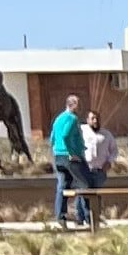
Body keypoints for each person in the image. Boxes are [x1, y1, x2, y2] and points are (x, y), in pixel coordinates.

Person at [48, 94, 86, 227]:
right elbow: (65, 134)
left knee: (62, 186)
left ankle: (60, 216)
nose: (80, 107)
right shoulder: (72, 118)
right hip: (68, 156)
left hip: (58, 156)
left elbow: (52, 137)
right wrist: (71, 153)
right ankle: (85, 216)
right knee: (83, 184)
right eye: (78, 104)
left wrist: (55, 151)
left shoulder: (58, 119)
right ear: (73, 105)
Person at [80, 107, 117, 226]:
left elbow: (114, 151)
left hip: (100, 171)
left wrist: (109, 162)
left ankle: (95, 217)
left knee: (96, 195)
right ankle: (84, 218)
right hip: (84, 169)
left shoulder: (106, 134)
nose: (95, 121)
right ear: (87, 120)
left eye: (97, 118)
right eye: (92, 118)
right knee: (84, 194)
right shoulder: (81, 131)